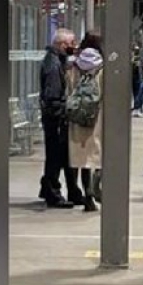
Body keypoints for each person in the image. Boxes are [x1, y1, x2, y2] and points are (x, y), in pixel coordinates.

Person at [38, 28, 81, 208]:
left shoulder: (57, 61)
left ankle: (54, 189)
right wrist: (61, 113)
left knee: (60, 156)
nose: (73, 47)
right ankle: (52, 193)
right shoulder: (53, 65)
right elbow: (53, 95)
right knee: (55, 156)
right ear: (62, 44)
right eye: (71, 44)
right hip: (55, 118)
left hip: (55, 116)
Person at [66, 45, 104, 212]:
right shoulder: (102, 71)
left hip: (77, 120)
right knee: (97, 156)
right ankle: (97, 185)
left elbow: (69, 91)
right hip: (96, 118)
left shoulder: (73, 70)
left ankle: (87, 195)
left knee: (81, 160)